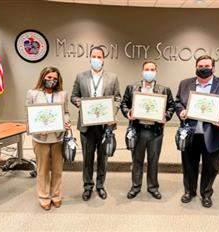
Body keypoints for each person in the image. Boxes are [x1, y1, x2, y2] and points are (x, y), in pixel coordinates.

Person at [175, 55, 219, 208]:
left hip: (213, 134)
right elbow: (178, 102)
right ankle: (189, 191)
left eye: (206, 66)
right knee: (188, 165)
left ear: (213, 68)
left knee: (210, 167)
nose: (203, 69)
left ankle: (206, 193)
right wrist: (182, 111)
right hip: (190, 133)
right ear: (196, 67)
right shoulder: (185, 83)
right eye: (200, 66)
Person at [71, 46, 121, 201]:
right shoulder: (81, 77)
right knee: (87, 159)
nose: (96, 59)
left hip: (105, 126)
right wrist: (78, 102)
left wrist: (112, 112)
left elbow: (118, 99)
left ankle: (100, 185)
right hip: (86, 126)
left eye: (99, 57)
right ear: (90, 58)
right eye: (94, 56)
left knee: (102, 158)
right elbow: (73, 96)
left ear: (103, 59)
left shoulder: (112, 77)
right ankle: (87, 186)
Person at [121, 61, 174, 200]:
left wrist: (166, 116)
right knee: (137, 160)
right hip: (138, 130)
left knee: (153, 160)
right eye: (146, 69)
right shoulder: (132, 88)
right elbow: (124, 104)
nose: (149, 72)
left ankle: (153, 187)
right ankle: (135, 186)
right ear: (142, 71)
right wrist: (127, 112)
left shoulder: (164, 90)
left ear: (156, 71)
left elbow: (171, 107)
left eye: (152, 69)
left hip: (155, 132)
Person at [26, 66, 71, 210]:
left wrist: (66, 121)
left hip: (58, 138)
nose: (52, 80)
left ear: (58, 81)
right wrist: (37, 128)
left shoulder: (63, 94)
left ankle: (56, 195)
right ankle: (44, 196)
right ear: (43, 77)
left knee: (57, 170)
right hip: (40, 139)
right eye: (49, 77)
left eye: (55, 79)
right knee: (43, 170)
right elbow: (29, 115)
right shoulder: (32, 94)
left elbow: (66, 112)